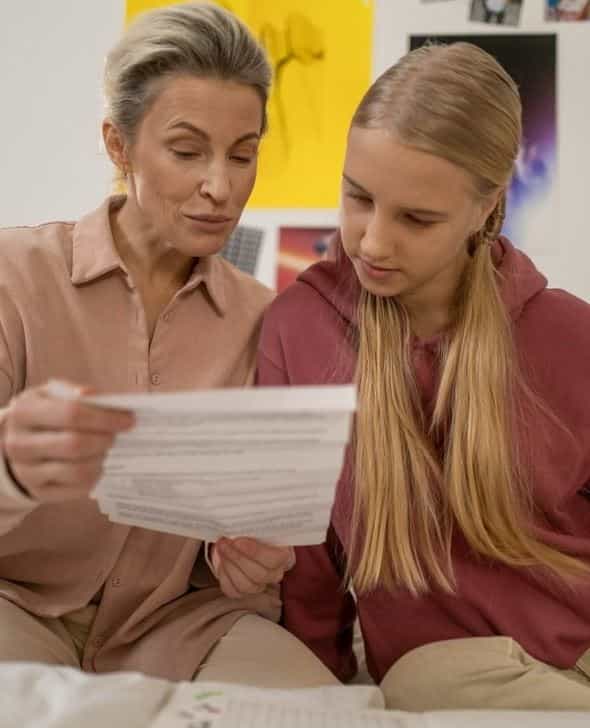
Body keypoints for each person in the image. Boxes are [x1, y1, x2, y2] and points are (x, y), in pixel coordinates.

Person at [0, 2, 337, 688]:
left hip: (182, 627)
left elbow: (253, 530)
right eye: (187, 152)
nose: (221, 187)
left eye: (243, 155)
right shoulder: (15, 277)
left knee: (326, 710)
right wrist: (10, 468)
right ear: (119, 146)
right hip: (15, 608)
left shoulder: (263, 318)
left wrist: (249, 559)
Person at [257, 42, 590, 709]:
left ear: (488, 205)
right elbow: (306, 561)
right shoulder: (297, 330)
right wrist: (322, 697)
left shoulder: (570, 333)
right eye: (358, 198)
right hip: (446, 671)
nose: (374, 241)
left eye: (417, 218)